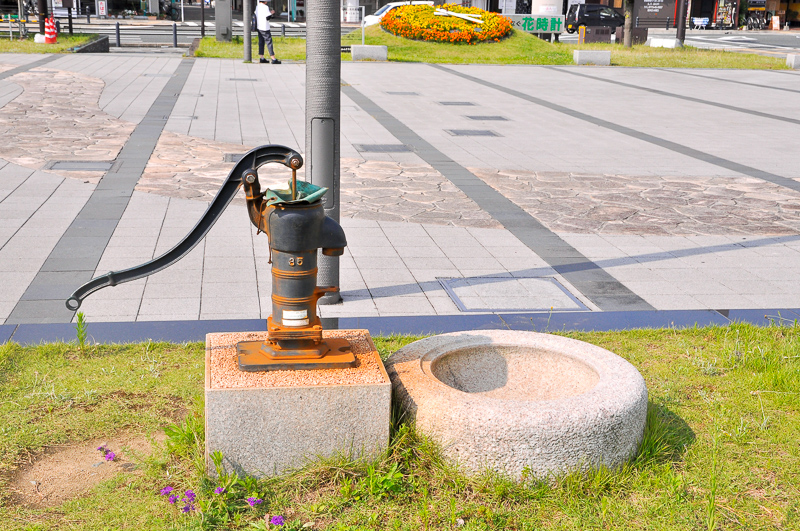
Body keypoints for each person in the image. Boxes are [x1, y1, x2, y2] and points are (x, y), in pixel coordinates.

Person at [255, 0, 280, 64]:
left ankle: (261, 57)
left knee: (261, 42)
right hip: (265, 27)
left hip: (259, 26)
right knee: (269, 42)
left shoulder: (257, 6)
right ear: (265, 1)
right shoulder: (265, 7)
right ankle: (273, 58)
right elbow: (268, 17)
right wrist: (271, 13)